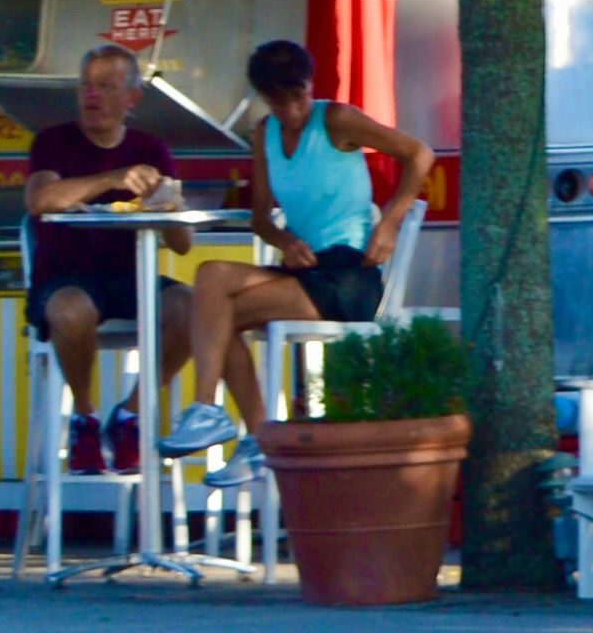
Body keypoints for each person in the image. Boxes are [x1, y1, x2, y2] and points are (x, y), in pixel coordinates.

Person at [168, 34, 435, 458]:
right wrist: (286, 241)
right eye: (279, 102)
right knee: (210, 281)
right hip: (304, 268)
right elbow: (260, 218)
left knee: (216, 315)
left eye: (299, 97)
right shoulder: (265, 134)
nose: (292, 111)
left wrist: (389, 222)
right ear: (264, 99)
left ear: (311, 85)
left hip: (349, 273)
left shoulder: (336, 119)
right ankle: (242, 429)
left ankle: (230, 424)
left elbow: (419, 154)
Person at [24, 40, 196, 462]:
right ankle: (84, 417)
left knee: (193, 307)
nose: (92, 95)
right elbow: (39, 200)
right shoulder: (53, 141)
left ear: (131, 98)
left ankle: (131, 415)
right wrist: (112, 179)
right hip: (64, 277)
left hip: (129, 278)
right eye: (86, 85)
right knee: (71, 310)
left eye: (105, 86)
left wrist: (170, 208)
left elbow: (182, 244)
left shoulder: (151, 150)